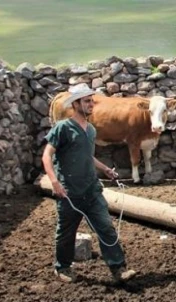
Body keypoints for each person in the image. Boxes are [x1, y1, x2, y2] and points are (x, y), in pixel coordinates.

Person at [42, 83, 137, 283]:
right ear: (75, 104)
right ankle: (63, 267)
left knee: (106, 228)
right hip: (69, 192)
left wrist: (105, 169)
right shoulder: (63, 128)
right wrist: (54, 182)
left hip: (91, 189)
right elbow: (46, 156)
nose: (91, 104)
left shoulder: (91, 130)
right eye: (86, 101)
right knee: (66, 232)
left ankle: (118, 268)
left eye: (91, 100)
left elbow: (87, 156)